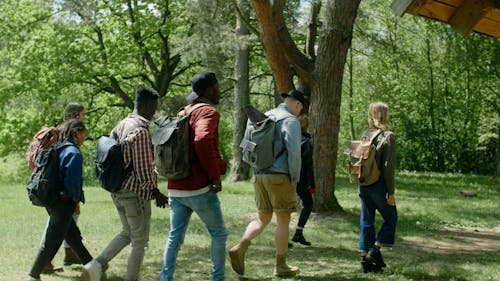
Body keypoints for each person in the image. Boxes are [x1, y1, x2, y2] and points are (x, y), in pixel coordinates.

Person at [83, 87, 168, 281]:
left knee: (127, 233)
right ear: (146, 105)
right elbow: (144, 170)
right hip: (134, 194)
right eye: (153, 107)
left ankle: (96, 266)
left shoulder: (122, 124)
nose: (154, 112)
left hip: (118, 190)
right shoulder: (141, 131)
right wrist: (156, 193)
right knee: (140, 241)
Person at [160, 71, 228, 281]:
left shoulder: (184, 111)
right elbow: (202, 140)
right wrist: (215, 175)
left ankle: (165, 278)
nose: (219, 91)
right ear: (208, 90)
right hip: (198, 188)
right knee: (219, 234)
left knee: (174, 237)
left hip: (175, 186)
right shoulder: (207, 112)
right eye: (216, 87)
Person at [229, 89, 304, 278]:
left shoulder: (263, 116)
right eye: (300, 109)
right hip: (280, 177)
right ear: (297, 105)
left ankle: (241, 246)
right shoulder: (291, 120)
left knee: (262, 218)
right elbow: (294, 153)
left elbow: (246, 144)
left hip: (259, 175)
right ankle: (281, 266)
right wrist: (295, 177)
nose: (299, 113)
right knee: (283, 220)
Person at [27, 119, 93, 281]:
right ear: (77, 133)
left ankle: (93, 265)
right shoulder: (74, 153)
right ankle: (33, 275)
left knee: (72, 235)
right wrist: (76, 199)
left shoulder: (58, 147)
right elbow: (72, 181)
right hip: (63, 201)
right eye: (84, 134)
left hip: (51, 198)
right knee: (53, 239)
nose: (85, 137)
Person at [358, 102, 398, 273]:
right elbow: (388, 167)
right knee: (391, 217)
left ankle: (365, 261)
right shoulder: (388, 136)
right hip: (379, 185)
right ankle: (375, 250)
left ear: (371, 115)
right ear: (385, 115)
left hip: (363, 183)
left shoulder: (365, 135)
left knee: (367, 221)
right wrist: (391, 192)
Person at [290, 114, 316, 246]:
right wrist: (312, 184)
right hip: (301, 179)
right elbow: (309, 165)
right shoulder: (306, 142)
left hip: (287, 176)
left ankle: (293, 234)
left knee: (286, 206)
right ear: (307, 126)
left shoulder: (290, 139)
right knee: (308, 203)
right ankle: (298, 233)